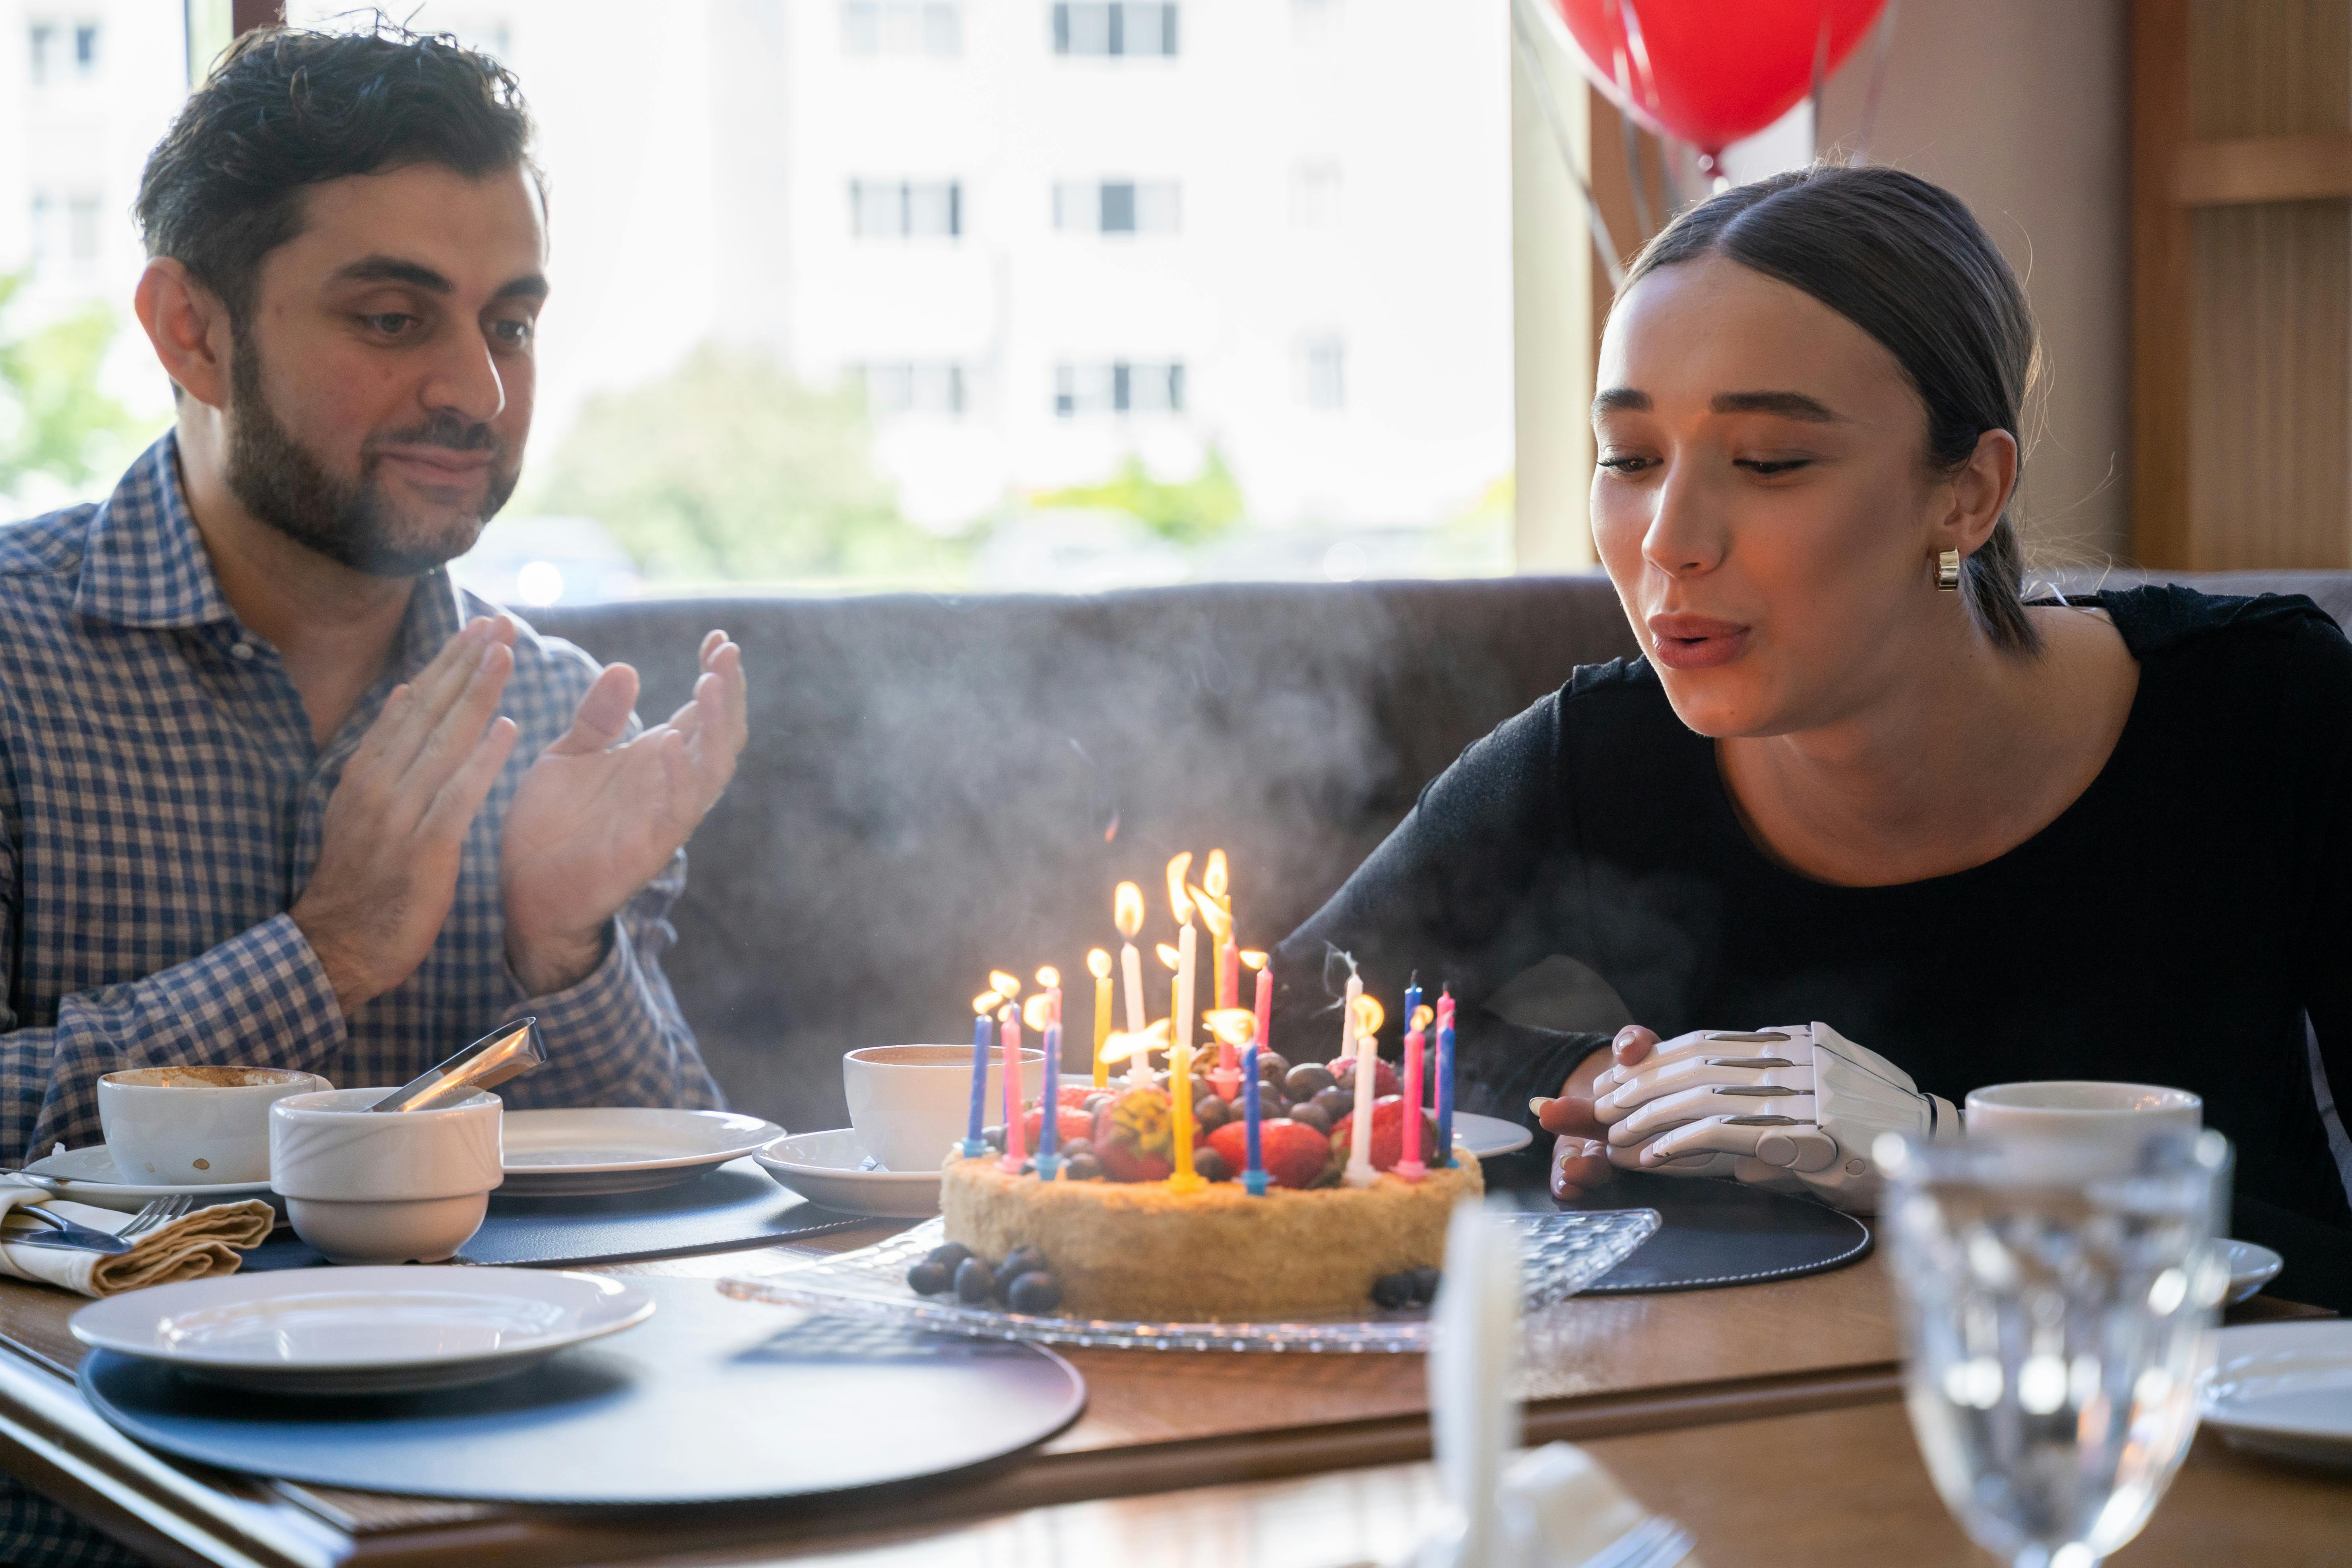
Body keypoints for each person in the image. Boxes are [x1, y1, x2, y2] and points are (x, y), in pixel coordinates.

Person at [1273, 163, 2352, 1310]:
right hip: (1757, 1444)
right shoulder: (1608, 754)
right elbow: (1297, 1008)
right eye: (1630, 459)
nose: (1671, 540)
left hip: (2219, 1435)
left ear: (1967, 496)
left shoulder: (2267, 710)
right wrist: (1594, 1079)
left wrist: (1944, 1155)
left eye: (1772, 463)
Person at [2, 21, 744, 1560]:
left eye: (513, 324)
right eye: (396, 317)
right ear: (190, 332)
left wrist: (563, 951)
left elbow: (676, 1231)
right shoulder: (14, 661)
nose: (476, 389)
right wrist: (321, 957)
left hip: (518, 1512)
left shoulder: (554, 713)